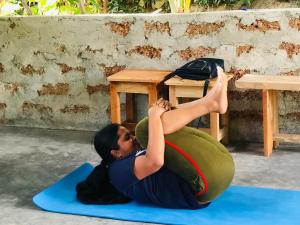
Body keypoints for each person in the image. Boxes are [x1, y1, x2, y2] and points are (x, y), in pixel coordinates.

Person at [76, 66, 228, 209]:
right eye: (127, 138)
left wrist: (163, 111)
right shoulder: (117, 171)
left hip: (213, 177)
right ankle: (211, 103)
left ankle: (211, 102)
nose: (133, 138)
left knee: (153, 124)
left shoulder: (131, 155)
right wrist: (155, 115)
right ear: (115, 153)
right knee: (145, 128)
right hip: (199, 191)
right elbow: (155, 162)